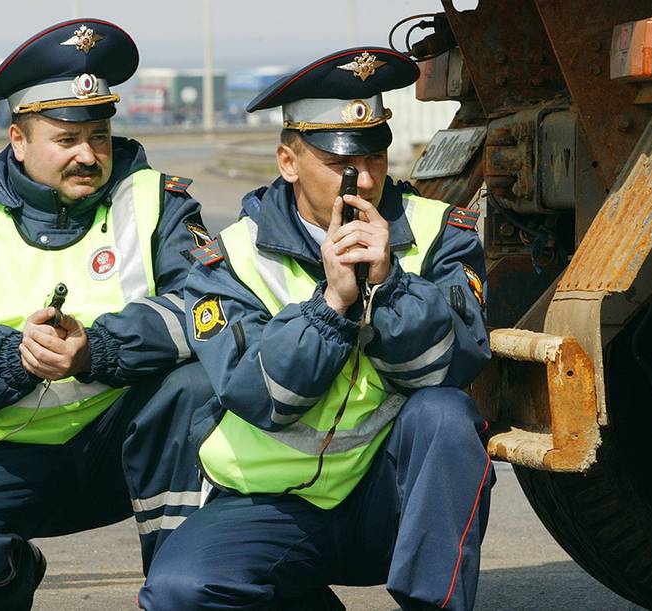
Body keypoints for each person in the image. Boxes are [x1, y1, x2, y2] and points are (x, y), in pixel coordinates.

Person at [140, 47, 494, 610]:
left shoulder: (440, 232)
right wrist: (330, 307)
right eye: (340, 161)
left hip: (388, 500)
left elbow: (453, 366)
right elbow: (262, 396)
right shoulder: (225, 259)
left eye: (376, 154)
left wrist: (390, 286)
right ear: (288, 161)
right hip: (268, 502)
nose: (365, 177)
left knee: (447, 416)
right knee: (180, 591)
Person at [0, 19, 215, 609]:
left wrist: (97, 349)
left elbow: (207, 310)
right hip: (8, 454)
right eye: (67, 140)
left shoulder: (158, 202)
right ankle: (10, 579)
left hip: (129, 443)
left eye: (101, 136)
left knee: (194, 386)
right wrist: (18, 358)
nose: (89, 155)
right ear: (18, 139)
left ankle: (177, 589)